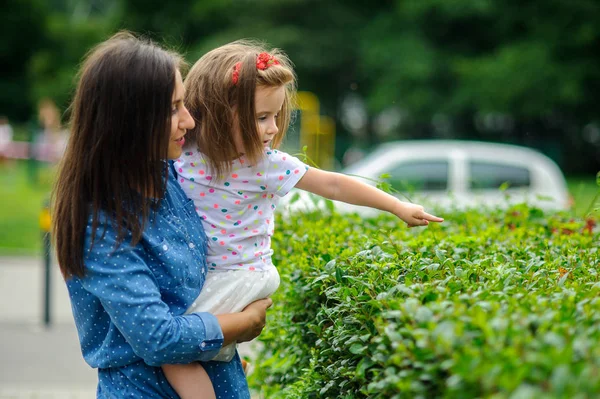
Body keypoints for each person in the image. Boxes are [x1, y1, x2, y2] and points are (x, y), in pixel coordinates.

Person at [164, 40, 444, 398]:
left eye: (276, 116)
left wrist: (396, 206)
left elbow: (332, 183)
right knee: (192, 346)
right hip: (213, 277)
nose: (271, 128)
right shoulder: (186, 151)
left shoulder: (263, 163)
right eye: (262, 117)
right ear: (220, 112)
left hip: (239, 277)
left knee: (172, 350)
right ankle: (227, 356)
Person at [51, 32, 271, 399]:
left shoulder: (173, 176)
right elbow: (158, 338)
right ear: (129, 120)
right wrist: (242, 323)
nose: (188, 121)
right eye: (173, 108)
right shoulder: (101, 223)